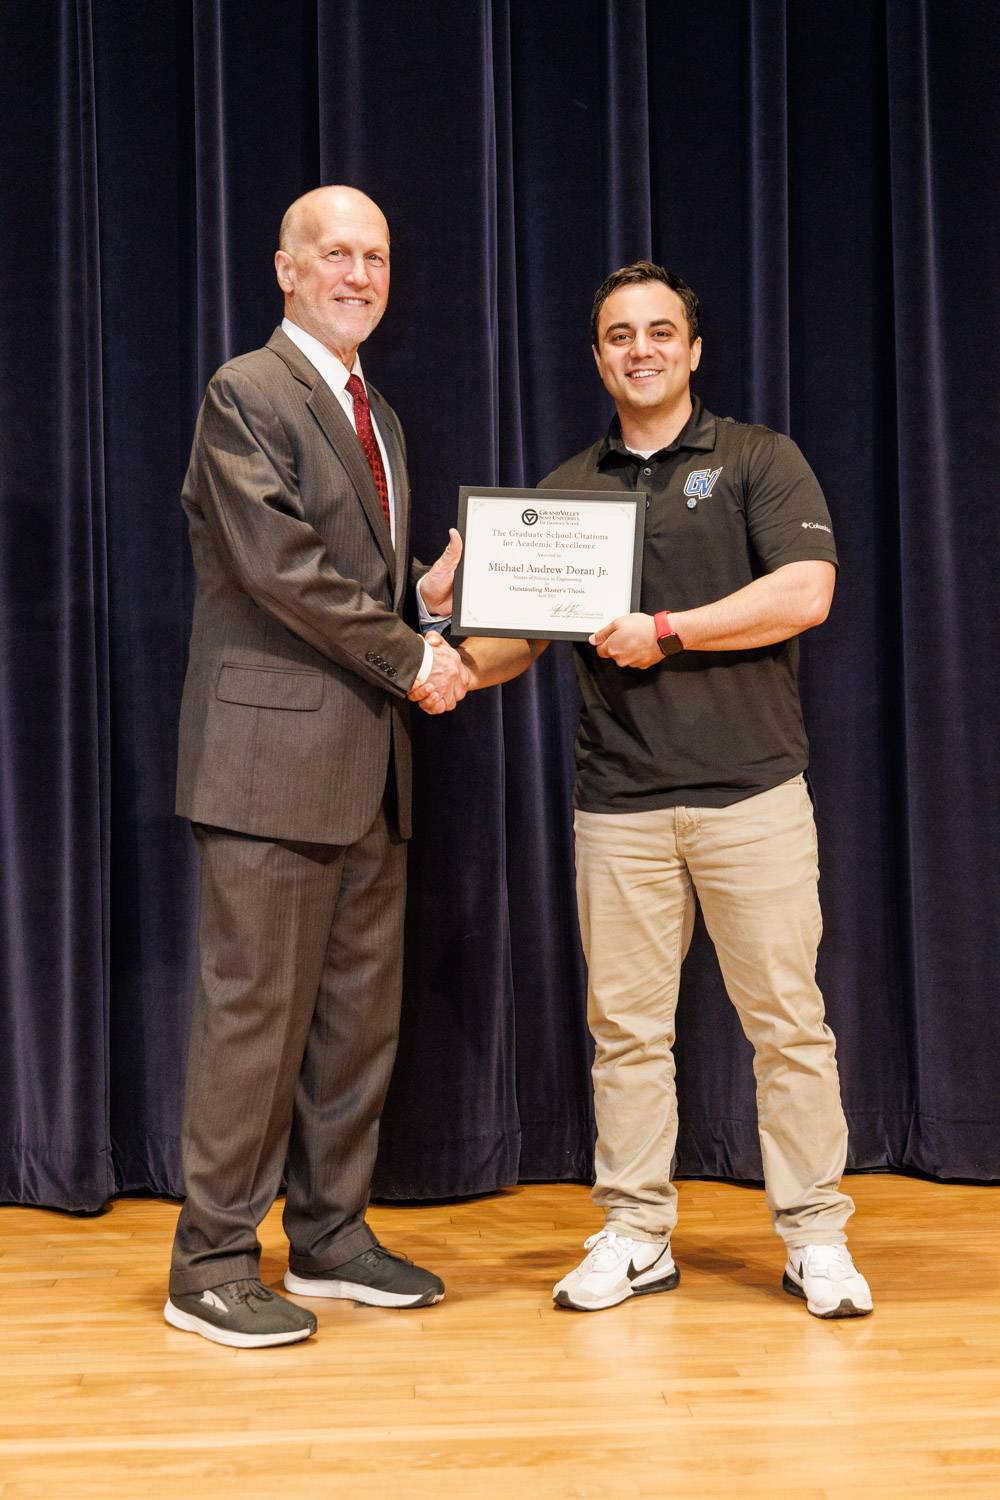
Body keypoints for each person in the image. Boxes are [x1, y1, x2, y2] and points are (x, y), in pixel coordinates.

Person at [430, 261, 872, 1320]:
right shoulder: (566, 492)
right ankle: (635, 1232)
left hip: (751, 797)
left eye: (659, 331)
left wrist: (665, 630)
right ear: (597, 357)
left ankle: (814, 1236)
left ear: (692, 349)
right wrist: (441, 620)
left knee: (789, 1027)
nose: (640, 349)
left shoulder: (760, 458)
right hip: (617, 805)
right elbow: (506, 649)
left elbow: (805, 593)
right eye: (619, 335)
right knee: (627, 1033)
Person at [165, 186, 469, 1348]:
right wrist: (413, 657)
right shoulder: (245, 391)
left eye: (376, 255)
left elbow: (347, 580)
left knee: (354, 1024)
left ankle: (332, 1236)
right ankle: (210, 1263)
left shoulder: (378, 413)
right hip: (267, 766)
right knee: (257, 1022)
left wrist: (421, 604)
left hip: (368, 769)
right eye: (334, 253)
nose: (358, 272)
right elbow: (279, 566)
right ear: (285, 269)